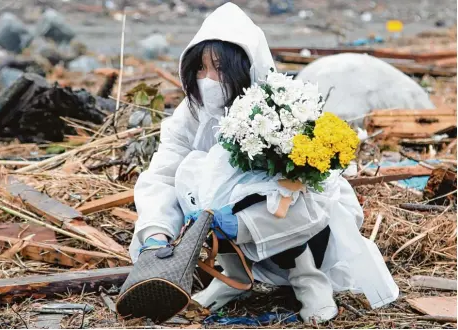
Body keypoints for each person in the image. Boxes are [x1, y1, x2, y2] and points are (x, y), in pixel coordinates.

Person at [130, 2, 398, 323]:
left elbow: (317, 194)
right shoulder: (191, 114)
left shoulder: (280, 109)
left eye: (218, 68)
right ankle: (233, 277)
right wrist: (157, 232)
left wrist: (247, 218)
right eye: (200, 69)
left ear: (243, 66)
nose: (208, 79)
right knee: (194, 168)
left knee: (274, 191)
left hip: (303, 229)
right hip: (225, 223)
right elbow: (163, 171)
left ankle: (309, 281)